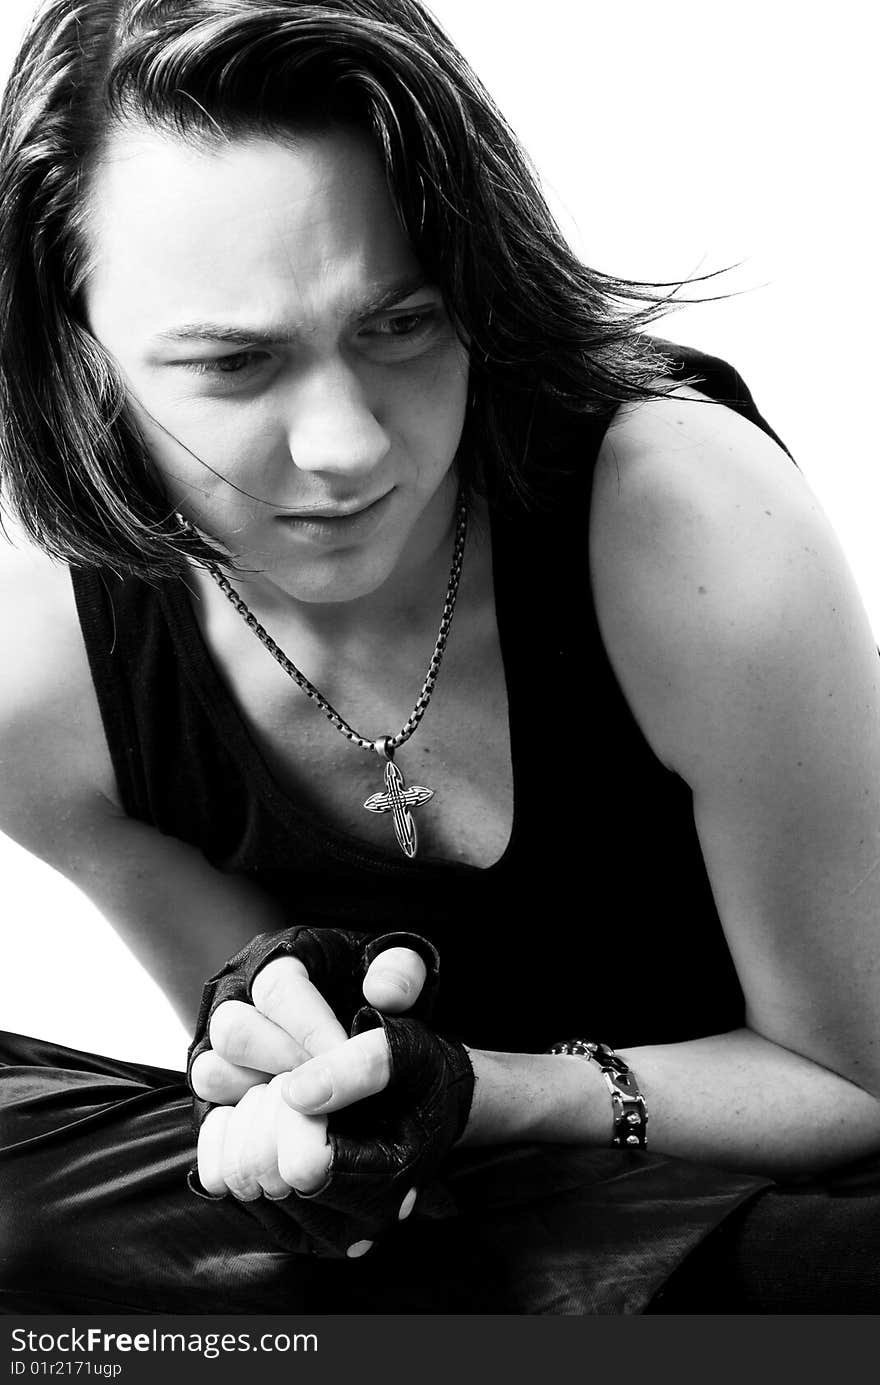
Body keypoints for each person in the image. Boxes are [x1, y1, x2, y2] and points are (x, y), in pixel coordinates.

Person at [1, 0, 880, 1316]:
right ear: (77, 349)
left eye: (402, 325)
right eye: (238, 363)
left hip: (771, 1202)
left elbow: (855, 1085)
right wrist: (298, 1093)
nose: (348, 446)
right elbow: (303, 1116)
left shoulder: (680, 516)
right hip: (465, 1238)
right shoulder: (42, 686)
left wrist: (496, 1093)